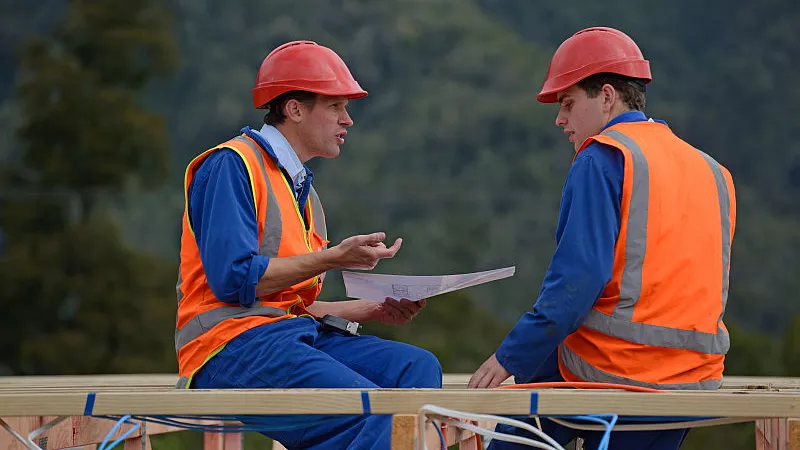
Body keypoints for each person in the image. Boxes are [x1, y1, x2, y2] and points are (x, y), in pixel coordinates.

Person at [468, 27, 736, 450]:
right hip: (695, 383)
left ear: (607, 97)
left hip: (619, 377)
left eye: (569, 104)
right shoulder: (714, 171)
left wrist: (506, 359)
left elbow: (574, 287)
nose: (560, 120)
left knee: (527, 385)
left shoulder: (604, 156)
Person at [175, 40, 442, 449]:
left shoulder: (301, 190)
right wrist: (333, 258)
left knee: (417, 369)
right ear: (294, 109)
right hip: (229, 348)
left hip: (288, 335)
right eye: (336, 106)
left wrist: (370, 311)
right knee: (370, 413)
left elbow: (288, 305)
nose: (348, 120)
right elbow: (234, 282)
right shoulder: (231, 165)